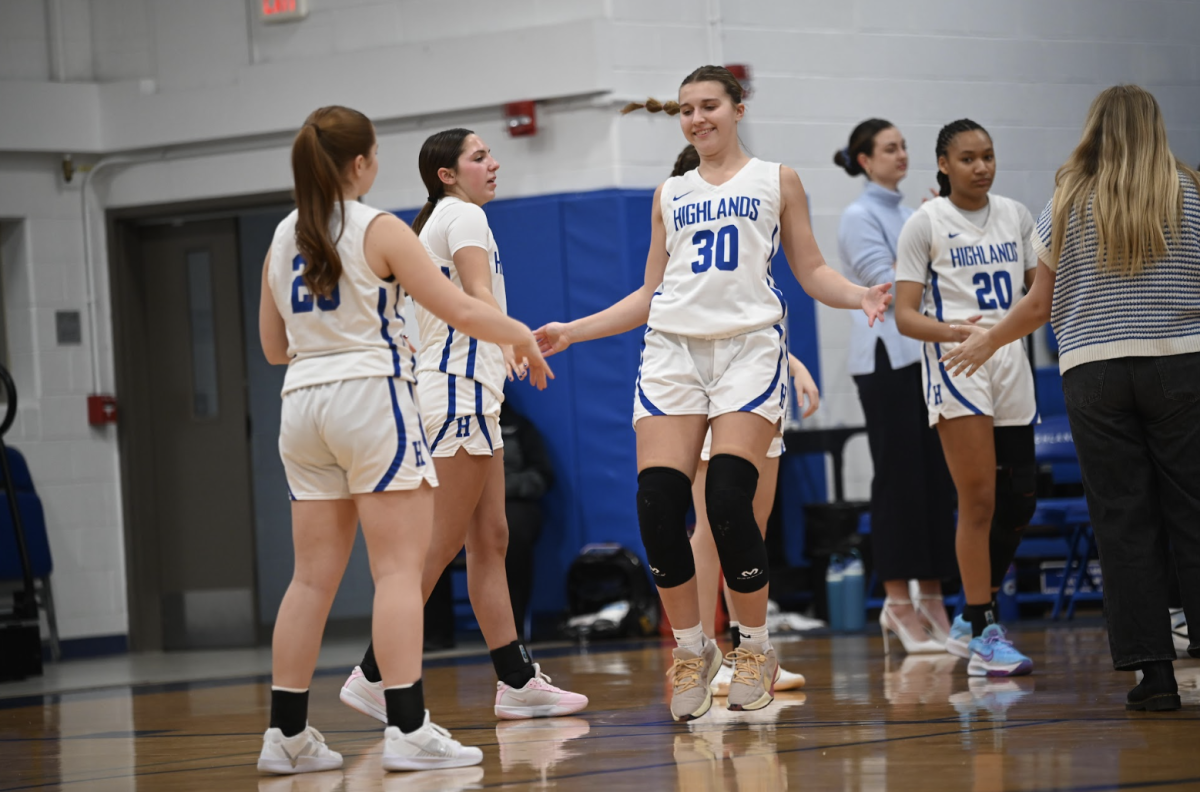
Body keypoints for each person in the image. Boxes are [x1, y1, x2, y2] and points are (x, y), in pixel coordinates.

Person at [535, 65, 891, 721]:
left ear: (737, 108)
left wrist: (859, 294)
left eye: (709, 106)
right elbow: (649, 295)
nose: (697, 119)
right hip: (673, 352)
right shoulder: (669, 192)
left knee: (730, 499)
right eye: (686, 110)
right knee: (659, 505)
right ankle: (694, 650)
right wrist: (572, 331)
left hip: (748, 349)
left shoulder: (776, 178)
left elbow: (809, 269)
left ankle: (754, 646)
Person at [257, 106, 551, 774]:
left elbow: (274, 347)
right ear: (360, 163)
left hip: (300, 405)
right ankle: (409, 727)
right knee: (396, 569)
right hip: (371, 396)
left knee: (310, 578)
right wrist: (519, 335)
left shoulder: (281, 237)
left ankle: (287, 737)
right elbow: (459, 309)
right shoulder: (379, 227)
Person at [939, 85, 1200, 710]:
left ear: (1096, 130)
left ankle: (1153, 677)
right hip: (1181, 366)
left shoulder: (1067, 202)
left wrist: (987, 341)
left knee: (1122, 521)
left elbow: (1037, 305)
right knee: (1192, 514)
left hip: (1093, 375)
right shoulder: (1190, 194)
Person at [341, 128, 588, 723]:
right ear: (448, 174)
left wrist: (503, 347)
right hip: (455, 392)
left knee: (491, 539)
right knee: (438, 545)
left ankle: (517, 681)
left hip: (470, 390)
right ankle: (374, 673)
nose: (494, 163)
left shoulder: (447, 219)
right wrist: (520, 341)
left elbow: (471, 304)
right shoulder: (461, 217)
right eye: (480, 157)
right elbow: (478, 295)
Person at [893, 118, 1038, 677]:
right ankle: (982, 629)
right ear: (944, 166)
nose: (982, 167)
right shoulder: (925, 223)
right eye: (969, 158)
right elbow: (906, 316)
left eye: (989, 156)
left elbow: (1035, 293)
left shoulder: (1017, 216)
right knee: (977, 500)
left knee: (1020, 498)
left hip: (1009, 358)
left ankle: (968, 617)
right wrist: (952, 333)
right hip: (957, 363)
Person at [670, 143, 813, 695]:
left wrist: (794, 365)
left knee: (749, 526)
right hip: (707, 392)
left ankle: (747, 649)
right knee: (711, 527)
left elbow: (748, 321)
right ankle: (702, 649)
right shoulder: (682, 218)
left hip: (757, 384)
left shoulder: (760, 211)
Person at [834, 119, 957, 654]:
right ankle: (896, 602)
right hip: (886, 363)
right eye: (889, 148)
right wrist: (934, 237)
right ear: (864, 159)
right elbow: (887, 287)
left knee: (935, 480)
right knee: (897, 479)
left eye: (904, 146)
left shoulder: (915, 215)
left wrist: (941, 226)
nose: (901, 155)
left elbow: (945, 278)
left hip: (926, 360)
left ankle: (932, 597)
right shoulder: (858, 216)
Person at [500, 399, 555, 638]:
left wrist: (498, 489)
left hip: (511, 501)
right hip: (463, 504)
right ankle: (432, 635)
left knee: (510, 531)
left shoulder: (518, 426)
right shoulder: (443, 423)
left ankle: (512, 632)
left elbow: (542, 474)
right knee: (429, 539)